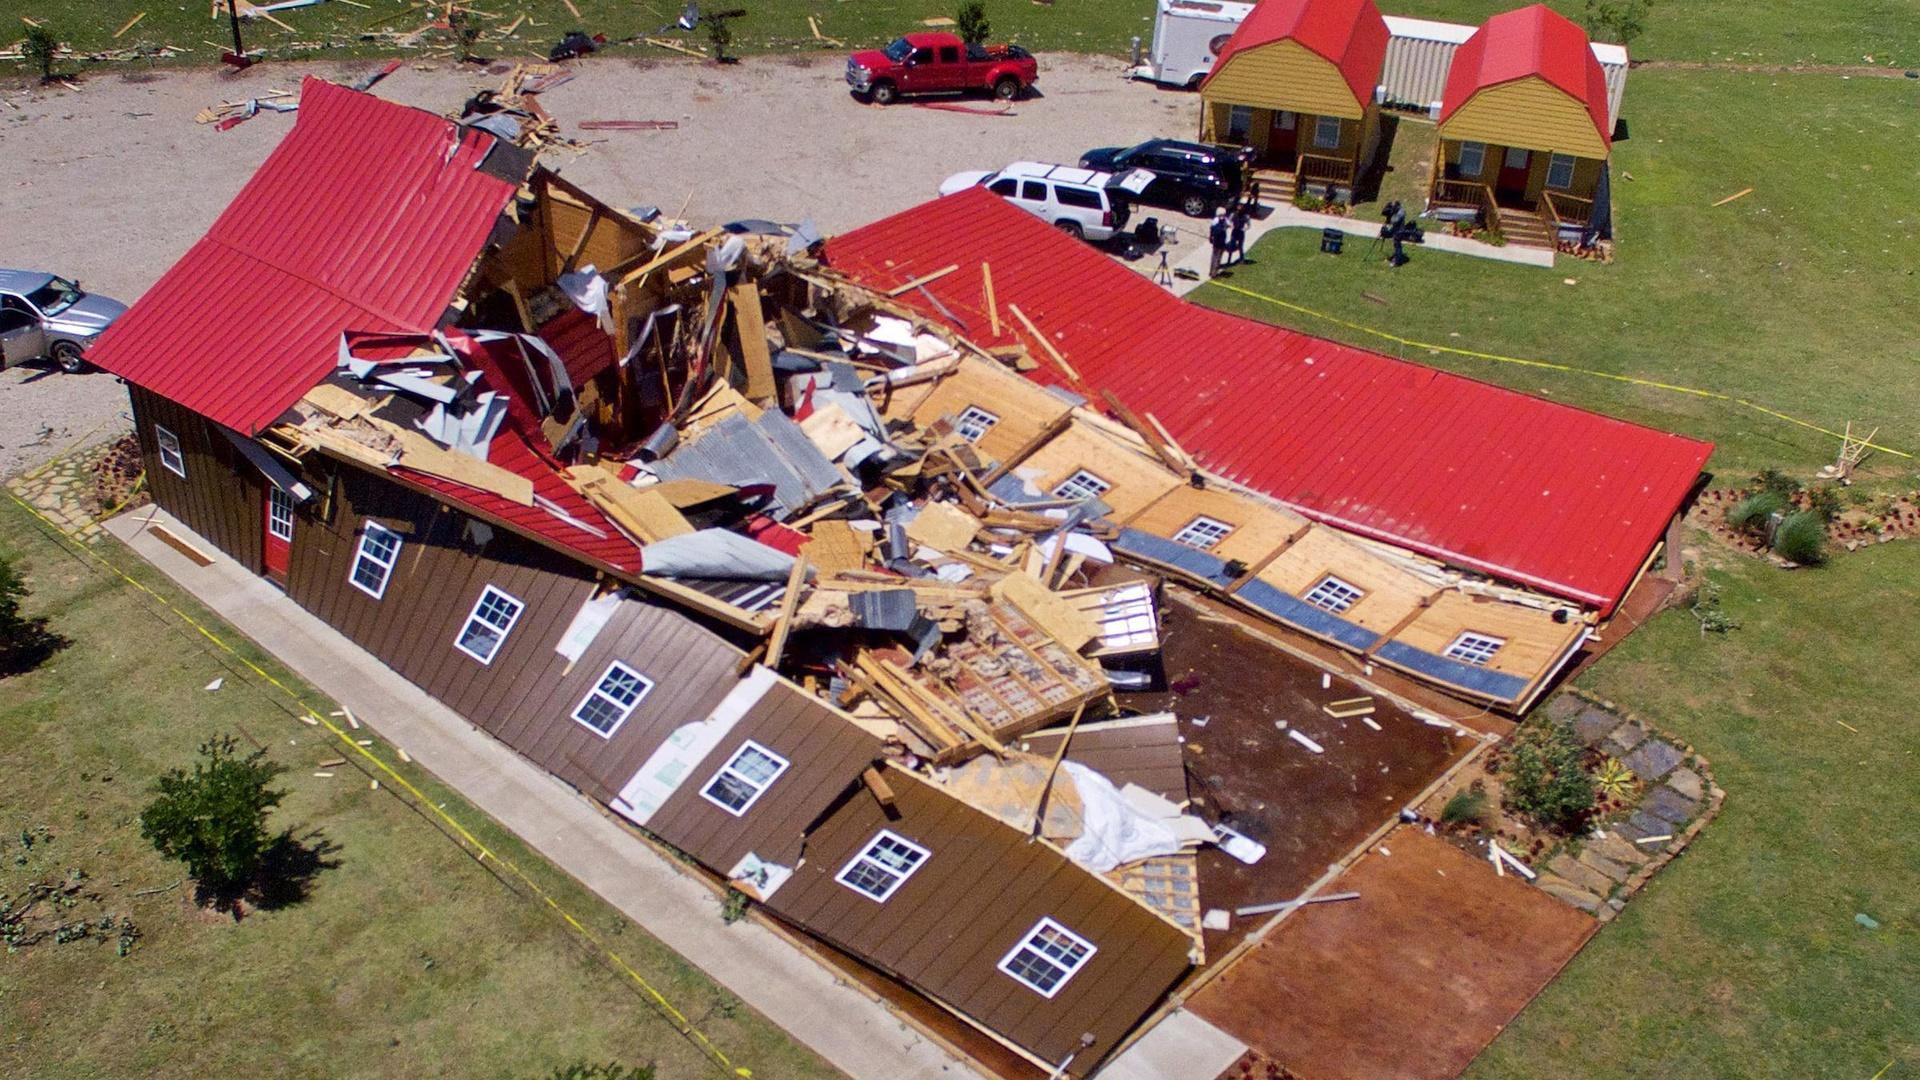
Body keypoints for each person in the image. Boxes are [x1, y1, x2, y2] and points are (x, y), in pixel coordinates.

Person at [1208, 211, 1229, 277]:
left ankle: (1211, 271)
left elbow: (1211, 229)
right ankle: (1214, 273)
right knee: (1218, 258)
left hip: (1215, 242)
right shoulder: (1224, 223)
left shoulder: (1215, 221)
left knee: (1214, 257)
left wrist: (1211, 237)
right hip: (1221, 243)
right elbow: (1230, 225)